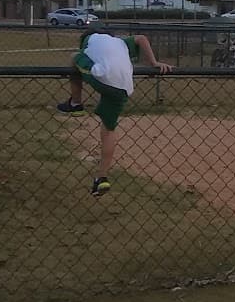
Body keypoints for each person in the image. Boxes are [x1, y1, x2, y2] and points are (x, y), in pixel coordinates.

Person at [55, 29, 172, 196]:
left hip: (102, 77)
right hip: (124, 87)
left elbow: (83, 56)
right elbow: (142, 38)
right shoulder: (119, 42)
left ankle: (75, 104)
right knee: (108, 129)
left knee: (74, 57)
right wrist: (153, 62)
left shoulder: (89, 40)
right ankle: (101, 178)